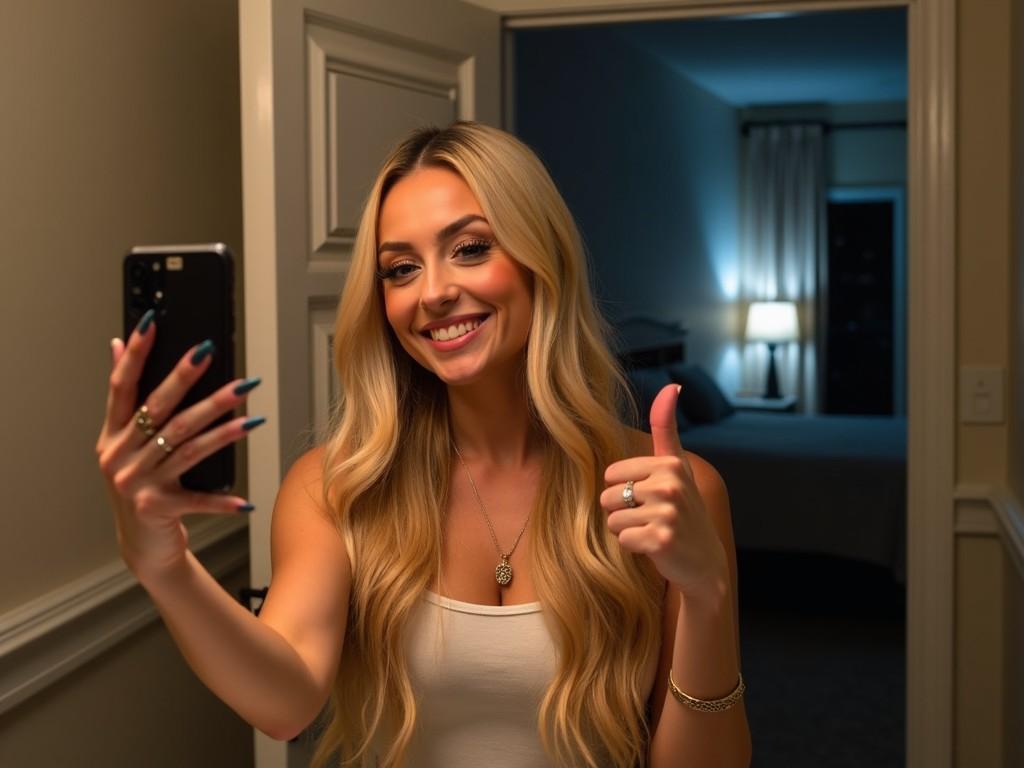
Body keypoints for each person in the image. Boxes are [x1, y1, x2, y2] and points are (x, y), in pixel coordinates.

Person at [97, 121, 751, 767]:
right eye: (401, 268)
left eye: (469, 249)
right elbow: (286, 704)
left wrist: (706, 590)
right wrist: (164, 565)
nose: (433, 293)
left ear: (540, 259)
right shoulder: (335, 487)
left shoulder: (670, 489)